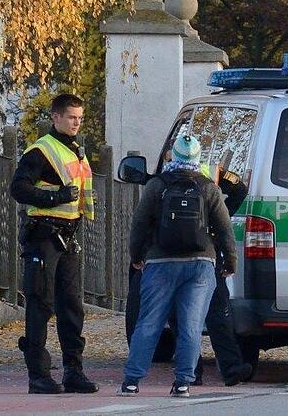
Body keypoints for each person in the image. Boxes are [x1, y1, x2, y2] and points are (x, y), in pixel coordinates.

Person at [118, 135, 236, 398]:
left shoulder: (157, 185)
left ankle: (131, 381)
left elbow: (139, 224)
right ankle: (183, 382)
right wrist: (230, 261)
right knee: (191, 325)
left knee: (149, 322)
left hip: (160, 262)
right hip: (200, 264)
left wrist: (136, 256)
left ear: (173, 156)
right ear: (197, 159)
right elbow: (224, 229)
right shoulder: (208, 187)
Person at [9, 93, 98, 395]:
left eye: (79, 118)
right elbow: (18, 188)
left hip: (68, 237)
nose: (76, 123)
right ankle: (39, 376)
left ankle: (74, 372)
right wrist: (56, 196)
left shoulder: (75, 151)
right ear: (56, 117)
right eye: (71, 117)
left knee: (72, 307)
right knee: (40, 305)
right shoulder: (41, 151)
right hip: (43, 237)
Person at [192, 164, 253, 386]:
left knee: (186, 315)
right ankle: (230, 368)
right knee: (218, 312)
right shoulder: (213, 169)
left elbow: (145, 218)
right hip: (206, 252)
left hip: (174, 254)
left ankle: (192, 372)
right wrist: (218, 218)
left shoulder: (166, 172)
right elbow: (240, 190)